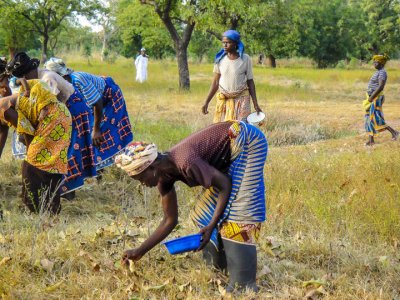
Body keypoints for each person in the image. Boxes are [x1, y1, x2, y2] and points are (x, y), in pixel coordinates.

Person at [115, 121, 268, 292]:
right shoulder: (164, 178)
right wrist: (140, 250)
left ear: (152, 167)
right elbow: (170, 220)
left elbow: (224, 184)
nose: (143, 184)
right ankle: (220, 267)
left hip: (246, 140)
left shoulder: (185, 161)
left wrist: (211, 227)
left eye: (141, 178)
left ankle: (244, 284)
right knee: (204, 213)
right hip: (229, 151)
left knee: (240, 213)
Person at [6, 53, 97, 197]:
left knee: (67, 150)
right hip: (61, 111)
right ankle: (61, 188)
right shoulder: (34, 79)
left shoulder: (47, 79)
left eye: (23, 77)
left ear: (27, 72)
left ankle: (67, 190)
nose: (24, 80)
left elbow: (50, 108)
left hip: (73, 109)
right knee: (60, 150)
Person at [45, 58, 134, 171]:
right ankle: (98, 168)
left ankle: (120, 166)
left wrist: (96, 130)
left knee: (104, 134)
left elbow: (97, 103)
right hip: (93, 104)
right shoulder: (58, 87)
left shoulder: (78, 81)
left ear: (60, 76)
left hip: (108, 97)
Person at [0, 79, 72, 214]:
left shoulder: (4, 110)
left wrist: (31, 158)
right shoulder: (6, 106)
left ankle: (37, 208)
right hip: (62, 114)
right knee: (53, 160)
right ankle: (51, 209)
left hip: (52, 116)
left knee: (31, 167)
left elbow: (27, 134)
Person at [202, 30, 262, 123]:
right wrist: (206, 102)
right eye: (223, 43)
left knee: (241, 127)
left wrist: (255, 104)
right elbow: (215, 82)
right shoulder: (220, 59)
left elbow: (250, 81)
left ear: (235, 44)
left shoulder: (245, 59)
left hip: (242, 99)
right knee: (225, 128)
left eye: (228, 42)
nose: (225, 45)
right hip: (225, 99)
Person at [363, 54, 398, 146]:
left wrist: (371, 97)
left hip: (376, 98)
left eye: (376, 62)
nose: (374, 63)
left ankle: (395, 133)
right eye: (373, 61)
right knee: (368, 118)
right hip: (371, 97)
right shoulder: (378, 72)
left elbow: (381, 86)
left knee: (375, 117)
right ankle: (371, 140)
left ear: (381, 63)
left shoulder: (382, 72)